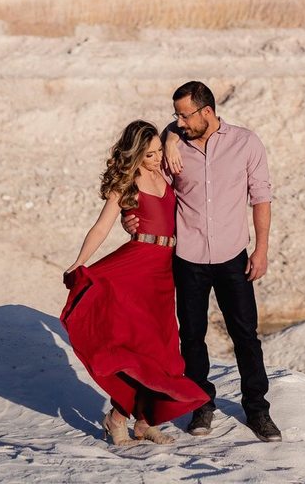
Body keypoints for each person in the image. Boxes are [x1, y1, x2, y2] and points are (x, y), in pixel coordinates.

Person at [122, 81, 280, 442]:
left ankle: (258, 411)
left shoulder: (245, 142)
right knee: (192, 337)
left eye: (184, 114)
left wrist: (262, 249)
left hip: (232, 256)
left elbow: (261, 197)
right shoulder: (172, 148)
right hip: (188, 257)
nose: (179, 120)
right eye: (175, 114)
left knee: (246, 335)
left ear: (206, 112)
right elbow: (149, 189)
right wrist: (129, 218)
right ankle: (201, 405)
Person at [61, 120, 208, 446]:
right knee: (139, 349)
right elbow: (101, 227)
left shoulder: (166, 173)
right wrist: (79, 262)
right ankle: (116, 419)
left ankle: (144, 422)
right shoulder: (127, 183)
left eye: (159, 152)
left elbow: (178, 130)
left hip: (164, 271)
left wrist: (169, 140)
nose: (158, 159)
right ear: (138, 154)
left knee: (162, 352)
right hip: (136, 266)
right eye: (151, 154)